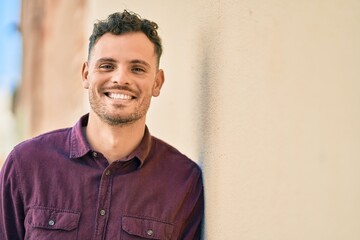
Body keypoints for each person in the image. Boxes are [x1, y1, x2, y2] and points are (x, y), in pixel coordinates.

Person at [0, 10, 204, 239]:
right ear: (86, 74)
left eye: (137, 69)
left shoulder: (183, 180)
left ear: (157, 83)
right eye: (107, 66)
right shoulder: (26, 164)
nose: (120, 79)